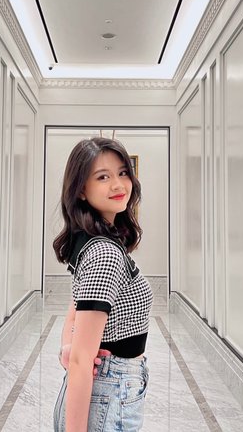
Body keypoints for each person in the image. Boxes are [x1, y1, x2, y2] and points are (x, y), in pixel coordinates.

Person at [52, 137, 153, 432]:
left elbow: (74, 310)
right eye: (103, 177)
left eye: (123, 173)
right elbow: (81, 360)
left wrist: (68, 346)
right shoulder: (105, 253)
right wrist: (74, 353)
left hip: (108, 391)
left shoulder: (98, 242)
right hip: (109, 394)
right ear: (81, 190)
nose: (119, 185)